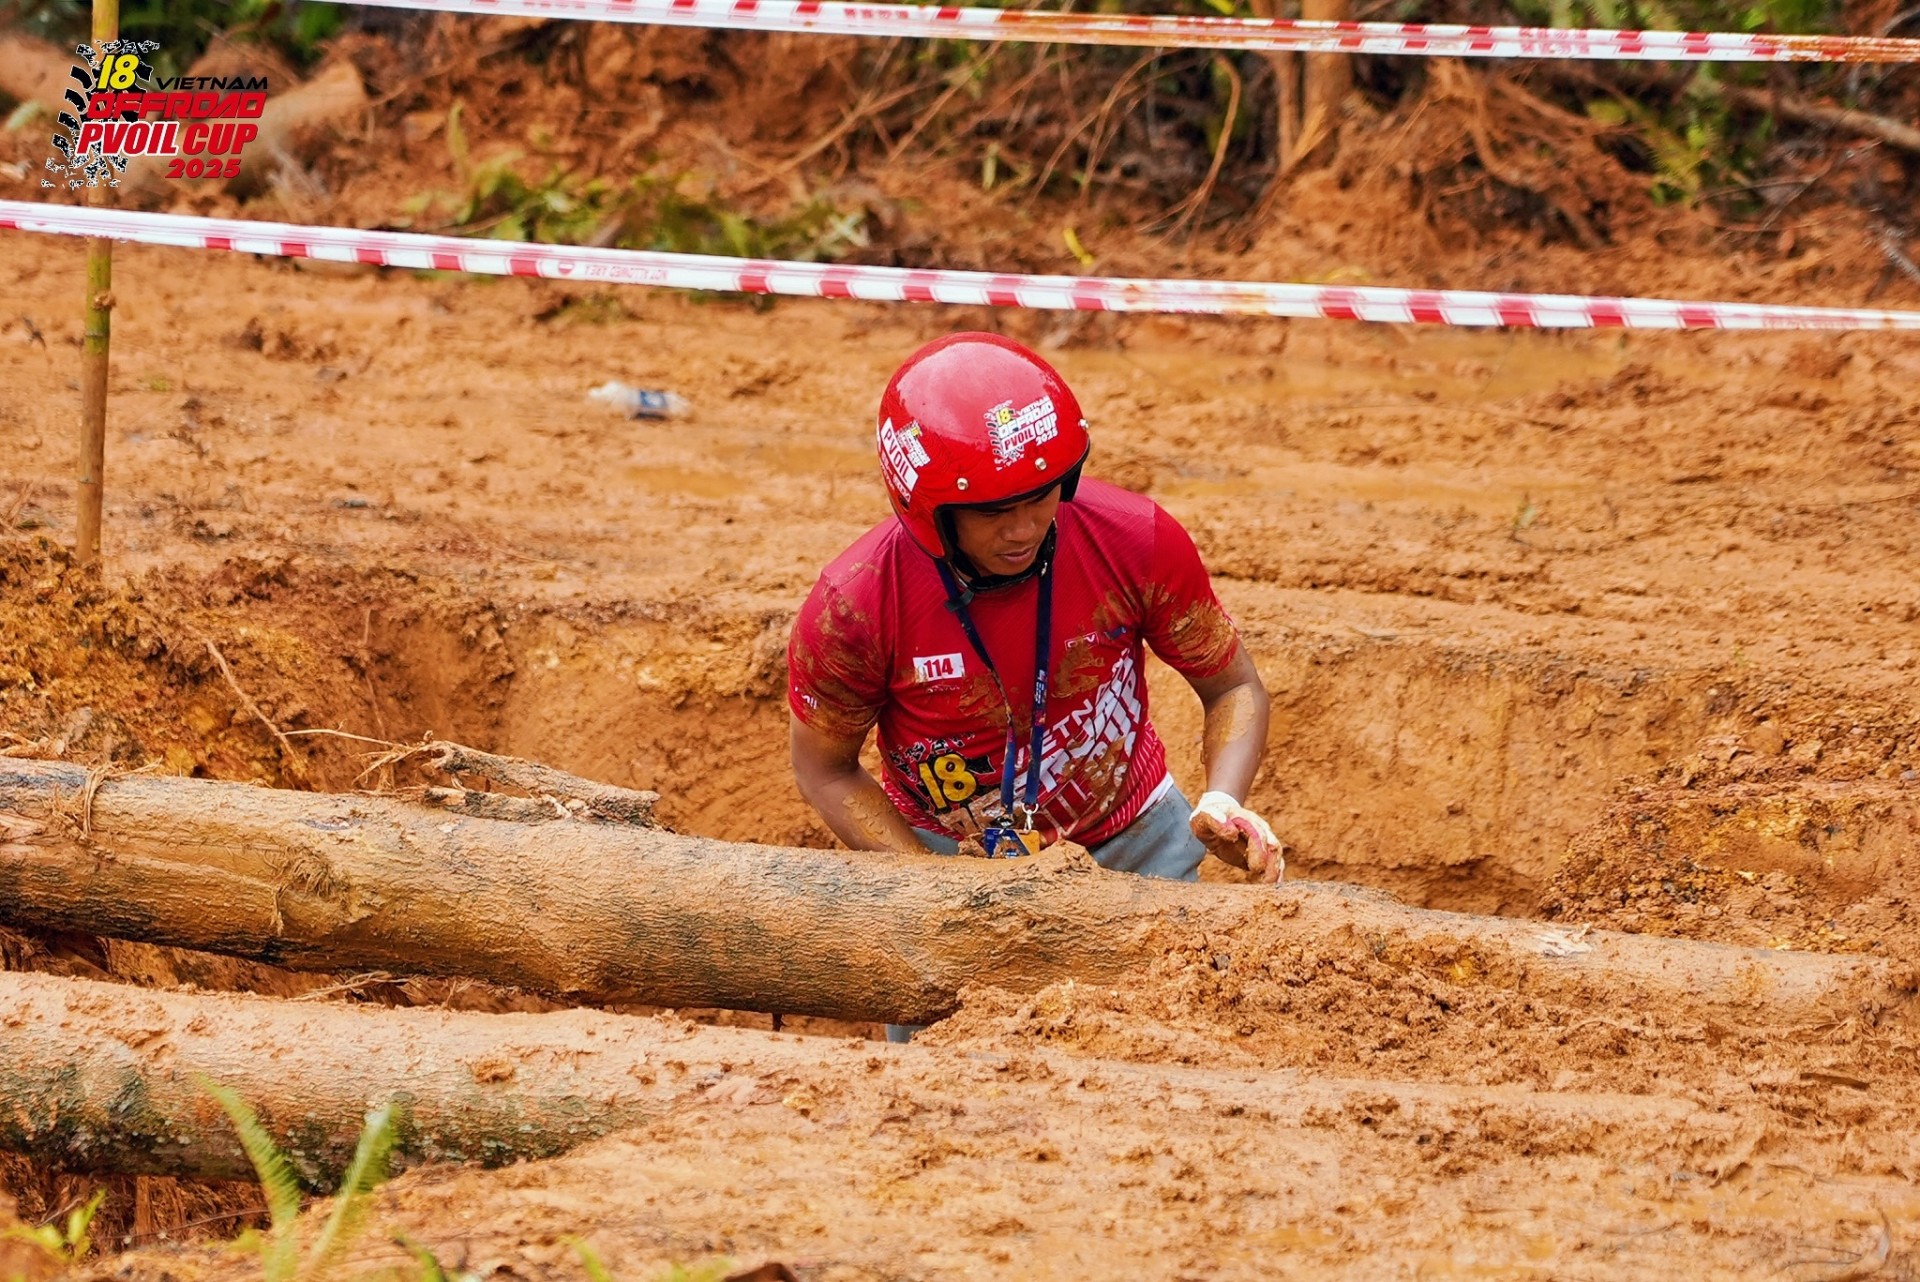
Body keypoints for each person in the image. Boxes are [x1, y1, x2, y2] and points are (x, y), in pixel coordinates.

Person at [787, 331, 1284, 904]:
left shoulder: (1136, 541)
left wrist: (1223, 800)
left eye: (1042, 496)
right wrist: (922, 882)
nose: (1024, 529)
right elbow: (825, 771)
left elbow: (1233, 686)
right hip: (950, 859)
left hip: (1137, 835)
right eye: (994, 512)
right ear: (926, 509)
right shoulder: (853, 610)